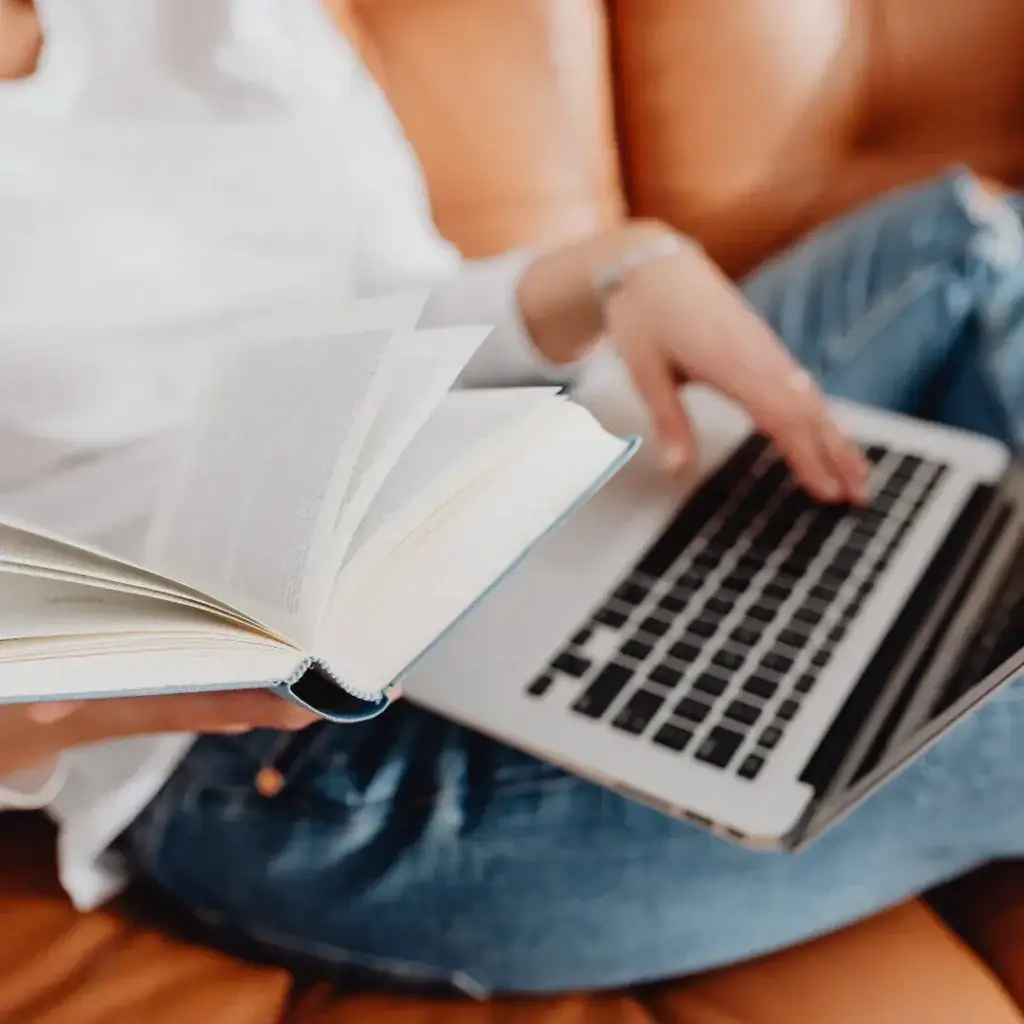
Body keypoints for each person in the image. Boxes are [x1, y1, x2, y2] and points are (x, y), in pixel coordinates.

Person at [3, 0, 1024, 1000]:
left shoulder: (226, 18)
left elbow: (396, 310)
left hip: (494, 490)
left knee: (958, 241)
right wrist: (55, 711)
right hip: (278, 748)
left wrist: (608, 270)